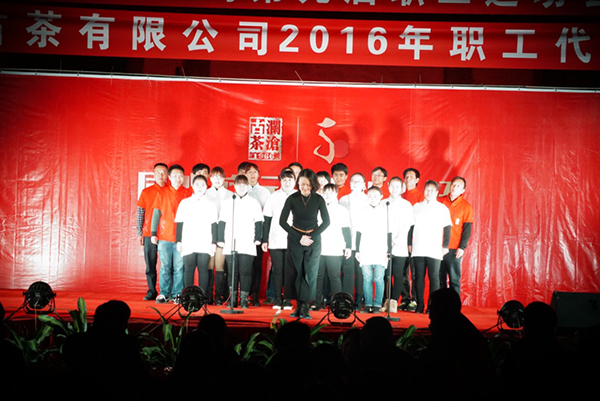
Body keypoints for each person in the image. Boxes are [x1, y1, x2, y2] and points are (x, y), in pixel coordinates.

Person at [279, 169, 330, 319]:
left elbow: (327, 222)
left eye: (308, 185)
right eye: (302, 184)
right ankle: (298, 306)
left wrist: (310, 237)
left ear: (313, 184)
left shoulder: (319, 199)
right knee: (296, 272)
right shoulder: (292, 198)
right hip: (295, 240)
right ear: (298, 184)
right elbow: (282, 221)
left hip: (313, 240)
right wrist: (299, 237)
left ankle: (305, 307)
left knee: (310, 273)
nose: (305, 188)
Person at [217, 174, 264, 308]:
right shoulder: (228, 202)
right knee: (232, 272)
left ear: (248, 186)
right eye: (239, 184)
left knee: (246, 271)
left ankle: (243, 299)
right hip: (230, 241)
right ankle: (232, 299)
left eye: (244, 184)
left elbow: (259, 222)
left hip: (248, 241)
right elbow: (222, 222)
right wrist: (220, 239)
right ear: (235, 186)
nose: (242, 187)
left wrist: (258, 238)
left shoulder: (253, 202)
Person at [151, 164, 193, 304]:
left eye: (180, 176)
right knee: (165, 267)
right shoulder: (162, 192)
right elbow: (156, 214)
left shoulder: (188, 193)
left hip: (182, 237)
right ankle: (164, 293)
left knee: (179, 268)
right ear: (169, 177)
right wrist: (153, 233)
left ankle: (177, 294)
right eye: (174, 176)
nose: (177, 178)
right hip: (165, 236)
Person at [409, 180, 452, 313]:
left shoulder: (442, 208)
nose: (429, 192)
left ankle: (432, 306)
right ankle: (420, 304)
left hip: (434, 248)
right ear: (424, 191)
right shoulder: (416, 207)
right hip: (418, 247)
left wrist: (445, 246)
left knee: (434, 277)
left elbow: (447, 227)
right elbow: (410, 227)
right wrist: (409, 243)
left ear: (437, 192)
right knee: (418, 276)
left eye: (432, 190)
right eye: (427, 190)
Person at [174, 174, 218, 293]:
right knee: (189, 269)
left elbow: (214, 225)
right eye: (197, 184)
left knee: (203, 269)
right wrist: (179, 241)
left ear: (206, 187)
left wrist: (214, 242)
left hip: (205, 240)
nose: (200, 187)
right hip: (188, 240)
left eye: (203, 185)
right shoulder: (185, 203)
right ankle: (188, 296)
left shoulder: (211, 204)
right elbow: (179, 222)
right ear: (192, 186)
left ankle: (202, 296)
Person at [262, 168, 297, 310]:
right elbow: (267, 219)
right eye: (284, 180)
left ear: (295, 181)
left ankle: (287, 300)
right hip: (275, 239)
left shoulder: (299, 196)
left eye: (290, 179)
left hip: (293, 240)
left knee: (290, 271)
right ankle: (277, 299)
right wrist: (264, 239)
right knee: (277, 270)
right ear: (280, 181)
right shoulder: (273, 197)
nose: (287, 182)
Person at [314, 184, 352, 310]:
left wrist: (348, 246)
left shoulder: (342, 210)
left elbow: (346, 230)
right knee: (318, 276)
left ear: (336, 193)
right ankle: (317, 302)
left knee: (334, 277)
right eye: (326, 192)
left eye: (331, 192)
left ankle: (337, 304)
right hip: (319, 248)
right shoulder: (318, 209)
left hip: (335, 248)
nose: (328, 195)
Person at [136, 162, 168, 301]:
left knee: (168, 265)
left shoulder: (171, 191)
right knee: (150, 264)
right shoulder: (146, 192)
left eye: (163, 172)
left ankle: (166, 292)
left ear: (167, 175)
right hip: (149, 233)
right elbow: (140, 212)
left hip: (167, 234)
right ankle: (151, 290)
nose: (161, 175)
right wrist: (140, 232)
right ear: (154, 174)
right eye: (158, 173)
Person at [355, 186, 390, 313]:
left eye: (375, 196)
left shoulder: (386, 212)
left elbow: (389, 232)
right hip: (365, 248)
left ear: (381, 197)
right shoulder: (362, 211)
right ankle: (368, 304)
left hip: (381, 249)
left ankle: (377, 305)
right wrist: (357, 250)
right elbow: (358, 232)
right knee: (367, 278)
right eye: (370, 196)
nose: (372, 198)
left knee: (378, 278)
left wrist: (389, 250)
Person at [438, 176, 474, 296]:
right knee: (439, 278)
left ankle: (454, 305)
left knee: (454, 279)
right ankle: (439, 304)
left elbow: (467, 229)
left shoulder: (466, 207)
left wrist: (462, 247)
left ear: (463, 190)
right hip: (437, 246)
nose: (454, 187)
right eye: (453, 184)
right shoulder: (439, 201)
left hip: (454, 248)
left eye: (458, 186)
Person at [384, 176, 414, 313]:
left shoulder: (406, 205)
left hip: (400, 245)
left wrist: (395, 240)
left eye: (397, 186)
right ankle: (386, 300)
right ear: (388, 186)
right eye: (392, 186)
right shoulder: (383, 203)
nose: (394, 189)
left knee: (398, 275)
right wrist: (386, 241)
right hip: (384, 246)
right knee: (385, 275)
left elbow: (407, 226)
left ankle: (394, 302)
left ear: (402, 188)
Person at [339, 172, 368, 307]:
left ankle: (360, 299)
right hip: (348, 240)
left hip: (363, 240)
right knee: (347, 271)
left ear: (364, 185)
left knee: (361, 272)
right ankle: (347, 299)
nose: (356, 184)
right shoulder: (343, 199)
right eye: (353, 181)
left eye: (359, 181)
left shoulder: (368, 199)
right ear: (349, 184)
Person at [206, 166, 233, 305]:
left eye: (220, 177)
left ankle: (219, 295)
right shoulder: (205, 193)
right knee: (209, 266)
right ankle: (208, 295)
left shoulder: (230, 195)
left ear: (224, 178)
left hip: (224, 234)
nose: (217, 179)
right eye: (214, 177)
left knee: (220, 265)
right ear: (210, 178)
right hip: (207, 234)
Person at [245, 162, 271, 306]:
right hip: (245, 234)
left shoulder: (265, 192)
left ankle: (255, 294)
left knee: (257, 265)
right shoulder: (241, 190)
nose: (252, 175)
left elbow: (267, 215)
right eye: (249, 172)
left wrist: (264, 236)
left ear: (259, 174)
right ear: (245, 174)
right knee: (246, 266)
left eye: (255, 172)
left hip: (259, 234)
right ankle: (246, 293)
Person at [400, 167, 424, 312]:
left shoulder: (421, 198)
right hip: (400, 240)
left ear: (417, 180)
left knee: (415, 273)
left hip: (415, 240)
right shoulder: (400, 197)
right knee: (402, 272)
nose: (408, 179)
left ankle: (415, 299)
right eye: (406, 177)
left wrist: (412, 241)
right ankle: (405, 299)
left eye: (411, 177)